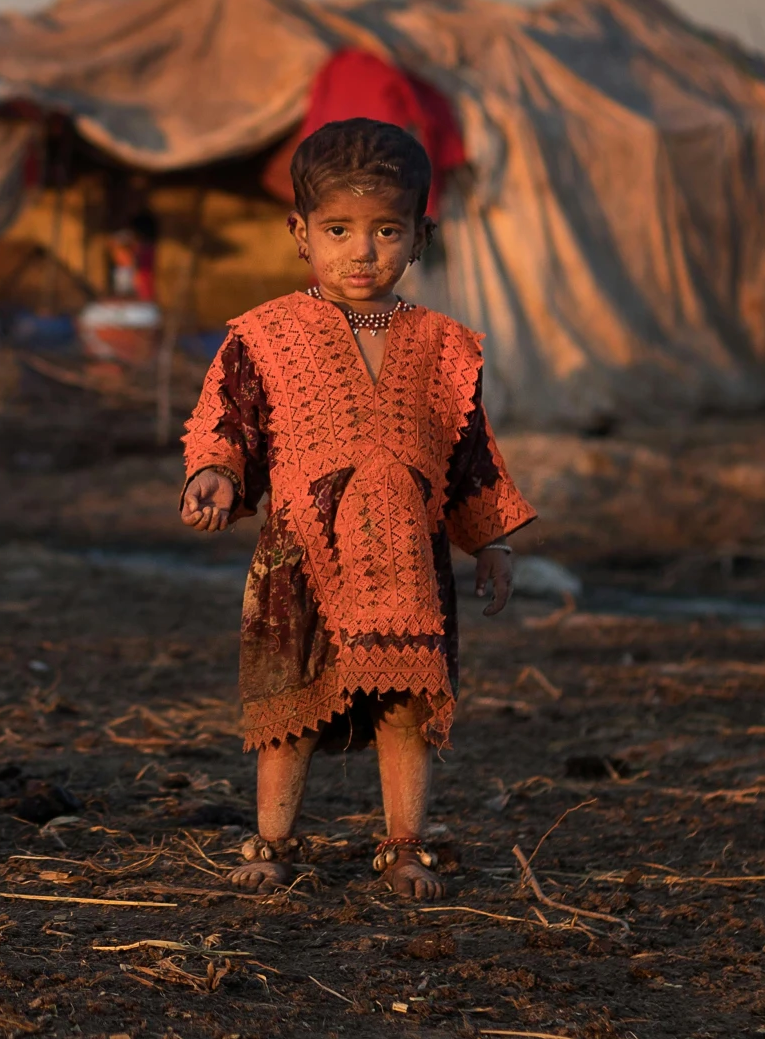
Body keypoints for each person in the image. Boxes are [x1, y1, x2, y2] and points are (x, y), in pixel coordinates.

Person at [177, 117, 535, 900]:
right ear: (301, 233)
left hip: (410, 560)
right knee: (288, 708)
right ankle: (272, 841)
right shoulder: (264, 335)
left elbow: (469, 450)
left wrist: (493, 543)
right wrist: (215, 472)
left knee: (406, 705)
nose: (362, 251)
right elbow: (229, 418)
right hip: (297, 559)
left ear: (420, 236)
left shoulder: (444, 345)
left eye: (385, 230)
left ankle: (406, 845)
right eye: (339, 229)